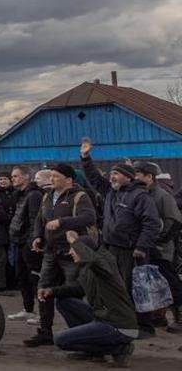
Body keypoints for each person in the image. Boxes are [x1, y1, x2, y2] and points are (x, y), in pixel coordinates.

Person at [80, 139, 163, 337]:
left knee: (136, 287)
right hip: (111, 247)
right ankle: (125, 323)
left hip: (131, 249)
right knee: (116, 287)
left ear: (127, 177)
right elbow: (93, 177)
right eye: (110, 174)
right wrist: (85, 158)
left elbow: (151, 223)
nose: (111, 177)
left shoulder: (140, 196)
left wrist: (142, 246)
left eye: (116, 174)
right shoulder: (111, 191)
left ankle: (144, 327)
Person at [40, 230, 138, 367]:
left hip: (118, 324)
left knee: (60, 340)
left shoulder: (104, 262)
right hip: (103, 317)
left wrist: (74, 240)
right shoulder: (88, 268)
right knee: (63, 302)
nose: (70, 253)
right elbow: (78, 288)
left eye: (72, 249)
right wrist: (51, 291)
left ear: (85, 249)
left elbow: (92, 258)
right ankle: (93, 350)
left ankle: (119, 349)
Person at [25, 164, 97, 347]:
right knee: (44, 291)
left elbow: (89, 218)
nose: (52, 179)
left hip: (71, 253)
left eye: (56, 176)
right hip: (50, 252)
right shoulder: (47, 196)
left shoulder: (79, 196)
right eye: (51, 176)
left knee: (72, 294)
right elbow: (40, 220)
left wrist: (62, 222)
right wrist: (37, 236)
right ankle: (45, 332)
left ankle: (81, 335)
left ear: (69, 179)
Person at [138, 162, 182, 334]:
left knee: (171, 282)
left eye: (138, 175)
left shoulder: (162, 196)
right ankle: (158, 316)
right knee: (152, 283)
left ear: (149, 176)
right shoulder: (141, 195)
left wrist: (161, 240)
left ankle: (179, 317)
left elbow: (175, 221)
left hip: (161, 249)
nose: (135, 179)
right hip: (147, 246)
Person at [8, 166, 43, 322]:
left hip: (29, 243)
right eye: (12, 176)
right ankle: (28, 309)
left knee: (35, 278)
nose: (12, 179)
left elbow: (34, 219)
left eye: (16, 176)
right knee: (22, 277)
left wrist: (32, 241)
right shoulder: (20, 195)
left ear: (26, 177)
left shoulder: (34, 194)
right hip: (18, 241)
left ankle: (43, 313)